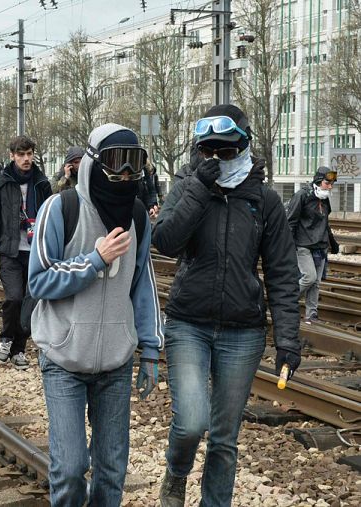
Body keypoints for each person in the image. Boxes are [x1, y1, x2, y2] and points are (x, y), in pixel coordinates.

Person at [153, 105, 300, 507]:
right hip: (188, 324)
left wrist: (288, 338)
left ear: (245, 145)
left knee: (223, 437)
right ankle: (177, 472)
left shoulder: (264, 201)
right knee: (191, 423)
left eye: (226, 150)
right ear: (199, 151)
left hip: (243, 332)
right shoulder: (187, 184)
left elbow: (283, 273)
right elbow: (164, 241)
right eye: (209, 151)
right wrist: (200, 188)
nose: (218, 159)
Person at [29, 123, 163, 506]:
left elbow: (143, 283)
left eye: (133, 165)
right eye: (115, 163)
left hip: (115, 363)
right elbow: (38, 280)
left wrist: (151, 348)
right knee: (70, 468)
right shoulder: (60, 208)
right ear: (92, 162)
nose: (124, 175)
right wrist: (94, 259)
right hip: (63, 358)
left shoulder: (138, 215)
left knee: (111, 471)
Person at [0, 135, 52, 370]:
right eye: (21, 154)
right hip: (11, 251)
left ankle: (19, 349)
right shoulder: (1, 183)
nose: (26, 159)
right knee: (14, 298)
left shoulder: (42, 183)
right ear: (12, 155)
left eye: (29, 154)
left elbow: (51, 218)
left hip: (35, 253)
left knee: (31, 302)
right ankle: (6, 339)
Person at [286, 166, 340, 324]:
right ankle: (286, 302)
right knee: (309, 278)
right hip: (303, 245)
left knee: (316, 283)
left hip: (320, 245)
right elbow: (291, 221)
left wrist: (332, 242)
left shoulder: (324, 198)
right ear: (318, 180)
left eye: (331, 184)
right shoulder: (302, 195)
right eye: (327, 183)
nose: (329, 187)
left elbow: (325, 221)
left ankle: (311, 315)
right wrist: (288, 246)